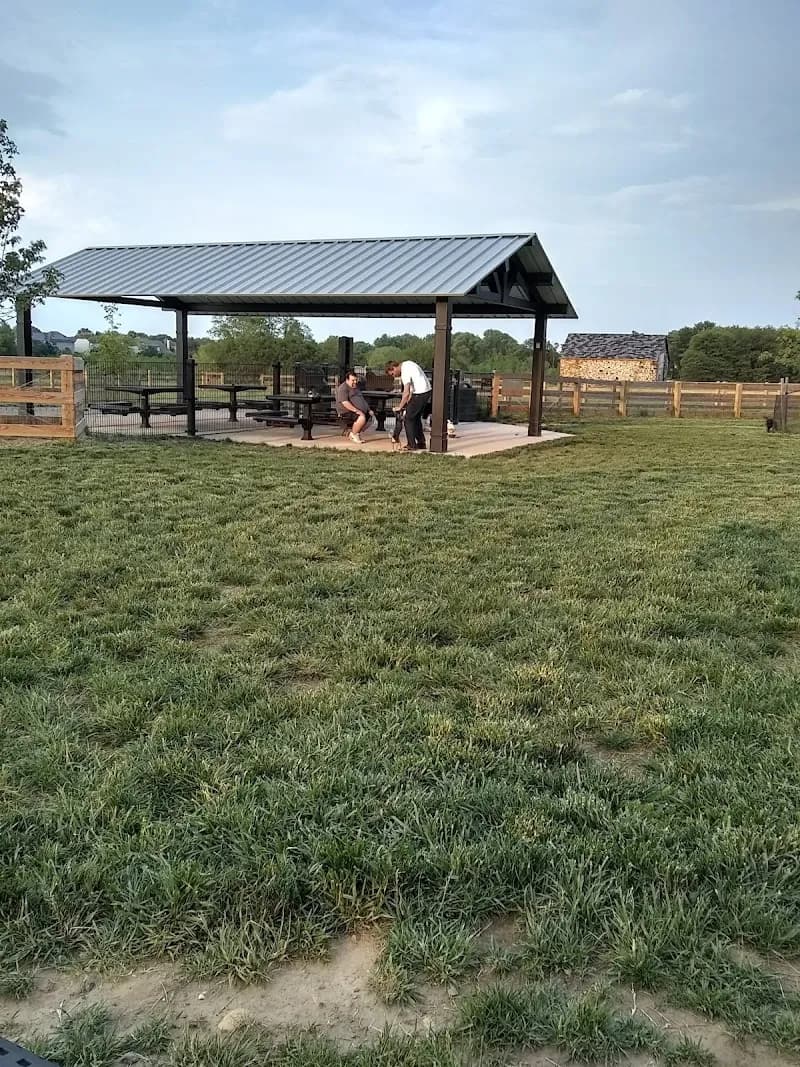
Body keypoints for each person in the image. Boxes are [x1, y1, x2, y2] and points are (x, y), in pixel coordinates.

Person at [385, 358, 432, 451]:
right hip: (426, 391)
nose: (394, 376)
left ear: (393, 368)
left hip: (420, 393)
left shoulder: (404, 372)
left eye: (392, 374)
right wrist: (408, 400)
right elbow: (412, 387)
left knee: (408, 419)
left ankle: (411, 445)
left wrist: (400, 406)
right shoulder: (408, 364)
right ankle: (421, 443)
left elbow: (405, 392)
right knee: (416, 418)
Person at [335, 369, 374, 444]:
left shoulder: (356, 387)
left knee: (370, 417)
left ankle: (356, 433)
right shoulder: (343, 388)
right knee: (362, 417)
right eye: (353, 380)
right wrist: (357, 411)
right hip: (346, 411)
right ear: (347, 380)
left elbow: (362, 399)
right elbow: (345, 403)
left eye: (356, 380)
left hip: (357, 410)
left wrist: (369, 410)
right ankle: (353, 434)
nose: (355, 382)